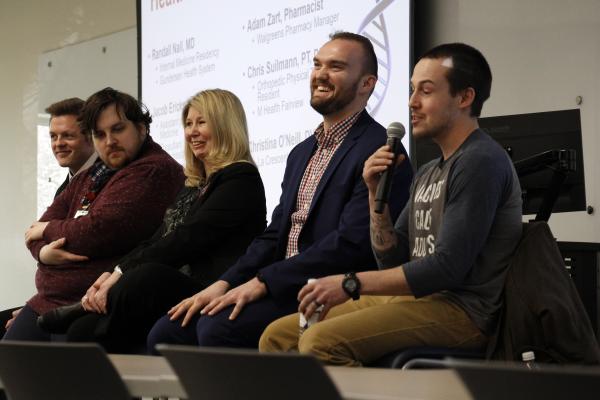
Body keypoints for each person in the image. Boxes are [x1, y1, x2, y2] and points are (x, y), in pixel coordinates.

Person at [259, 43, 523, 366]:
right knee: (277, 337)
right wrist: (375, 199)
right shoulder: (429, 170)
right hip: (414, 300)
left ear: (464, 98)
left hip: (462, 311)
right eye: (412, 90)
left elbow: (446, 268)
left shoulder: (479, 161)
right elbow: (391, 258)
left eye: (426, 91)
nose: (412, 102)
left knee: (319, 341)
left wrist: (349, 282)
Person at [146, 32, 413, 351]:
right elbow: (274, 236)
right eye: (317, 64)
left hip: (325, 290)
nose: (321, 74)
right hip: (279, 283)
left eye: (336, 66)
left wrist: (265, 282)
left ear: (367, 84)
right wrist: (225, 283)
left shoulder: (379, 150)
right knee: (168, 331)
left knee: (218, 329)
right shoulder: (301, 152)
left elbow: (352, 243)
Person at [61, 89, 267, 353]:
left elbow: (187, 240)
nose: (192, 131)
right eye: (188, 124)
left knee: (146, 277)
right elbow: (159, 238)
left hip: (213, 287)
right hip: (183, 286)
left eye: (201, 122)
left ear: (225, 125)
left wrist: (121, 274)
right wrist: (113, 272)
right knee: (83, 331)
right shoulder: (195, 184)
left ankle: (89, 315)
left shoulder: (240, 178)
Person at [3, 87, 184, 341]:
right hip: (49, 301)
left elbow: (99, 229)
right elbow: (34, 230)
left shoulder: (153, 169)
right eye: (100, 134)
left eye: (118, 129)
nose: (109, 141)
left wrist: (47, 231)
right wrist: (44, 252)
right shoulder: (96, 172)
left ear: (142, 128)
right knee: (12, 371)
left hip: (90, 304)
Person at [1, 97, 98, 336]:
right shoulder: (63, 188)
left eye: (67, 136)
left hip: (85, 298)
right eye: (53, 136)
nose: (58, 144)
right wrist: (44, 253)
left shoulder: (108, 181)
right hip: (53, 296)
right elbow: (32, 234)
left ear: (91, 136)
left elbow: (79, 239)